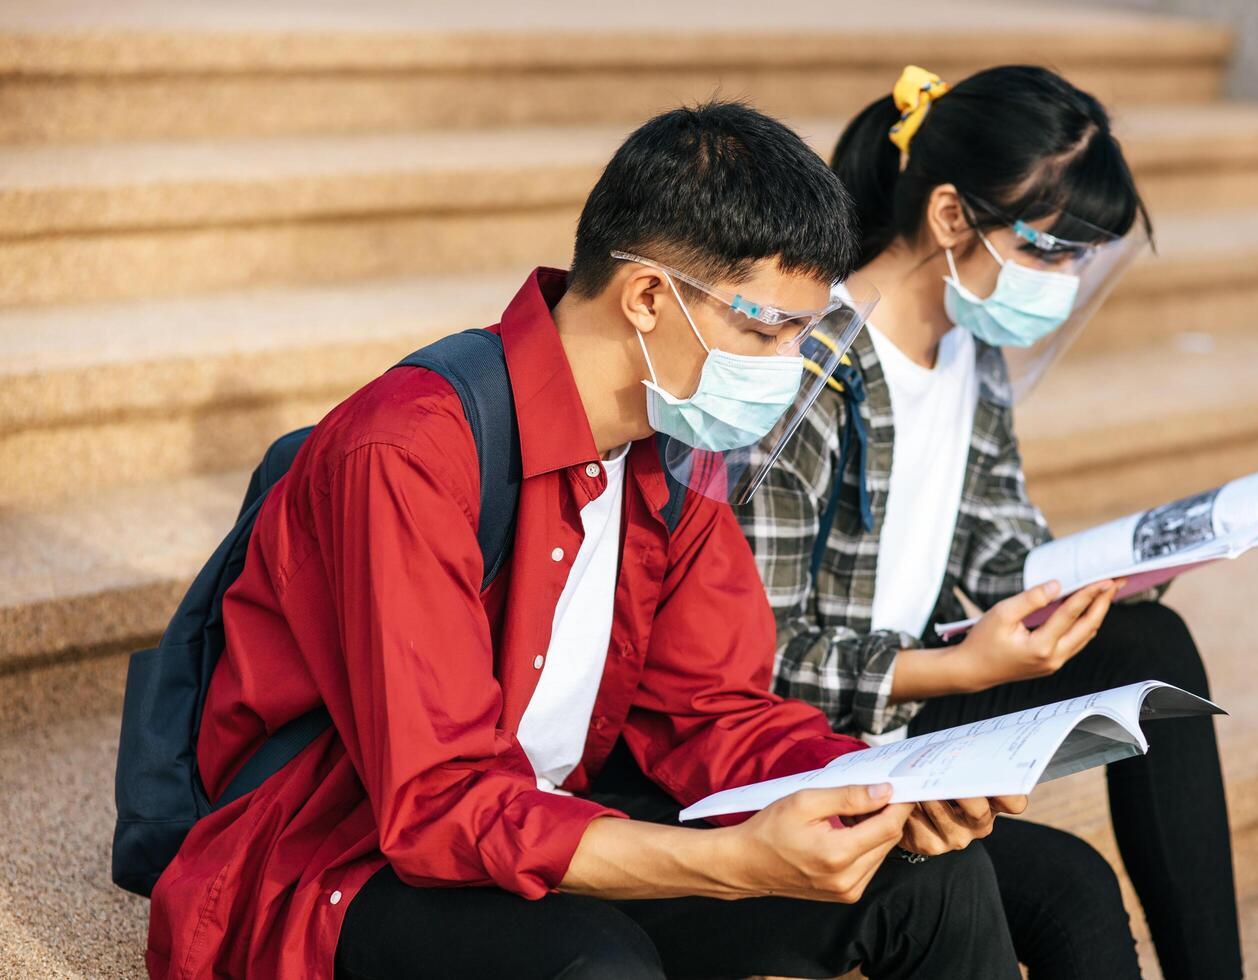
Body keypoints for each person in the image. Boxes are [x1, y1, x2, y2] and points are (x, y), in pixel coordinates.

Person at [144, 100, 1034, 980]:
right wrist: (730, 866)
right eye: (769, 329)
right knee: (596, 965)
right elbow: (437, 804)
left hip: (551, 810)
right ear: (647, 297)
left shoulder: (672, 450)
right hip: (343, 847)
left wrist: (884, 781)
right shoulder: (410, 451)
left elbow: (708, 712)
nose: (797, 363)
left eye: (807, 330)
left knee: (934, 880)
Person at [735, 66, 1258, 980]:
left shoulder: (968, 350)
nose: (1062, 281)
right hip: (801, 734)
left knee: (1154, 644)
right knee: (1072, 892)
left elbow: (1006, 561)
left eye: (1080, 257)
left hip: (909, 691)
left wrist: (1221, 523)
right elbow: (756, 659)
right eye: (1049, 249)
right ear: (952, 216)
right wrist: (960, 667)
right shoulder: (811, 369)